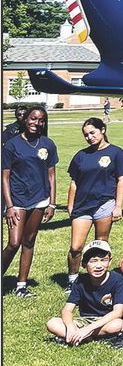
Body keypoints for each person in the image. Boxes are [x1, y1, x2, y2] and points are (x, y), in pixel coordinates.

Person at [65, 118, 123, 288]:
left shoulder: (116, 153)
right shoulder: (81, 155)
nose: (89, 137)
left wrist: (118, 206)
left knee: (101, 244)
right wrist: (70, 204)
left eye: (92, 133)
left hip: (105, 204)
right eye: (86, 135)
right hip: (82, 206)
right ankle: (72, 280)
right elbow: (74, 182)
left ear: (103, 130)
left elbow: (122, 180)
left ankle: (99, 280)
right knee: (76, 247)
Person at [2, 104, 58, 297]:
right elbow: (5, 177)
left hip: (40, 199)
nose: (37, 123)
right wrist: (9, 206)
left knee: (29, 241)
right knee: (14, 243)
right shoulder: (11, 145)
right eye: (33, 118)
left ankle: (21, 286)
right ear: (25, 119)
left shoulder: (47, 144)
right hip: (17, 200)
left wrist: (51, 203)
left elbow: (51, 175)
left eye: (41, 119)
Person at [46, 240, 123, 349]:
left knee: (118, 324)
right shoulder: (80, 281)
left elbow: (117, 312)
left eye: (103, 260)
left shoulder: (117, 280)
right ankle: (82, 337)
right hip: (85, 320)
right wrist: (71, 329)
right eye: (93, 261)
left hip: (106, 321)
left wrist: (87, 330)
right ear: (84, 264)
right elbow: (67, 310)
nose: (98, 266)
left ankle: (80, 337)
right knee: (52, 323)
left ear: (110, 262)